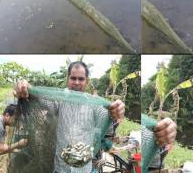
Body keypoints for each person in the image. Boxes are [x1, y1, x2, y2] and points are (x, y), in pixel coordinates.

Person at [15, 61, 177, 171]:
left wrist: (118, 110)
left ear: (87, 81)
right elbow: (40, 100)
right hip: (61, 165)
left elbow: (110, 115)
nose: (77, 83)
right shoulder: (59, 100)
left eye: (81, 79)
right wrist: (26, 89)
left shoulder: (95, 104)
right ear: (67, 79)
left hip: (84, 166)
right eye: (73, 78)